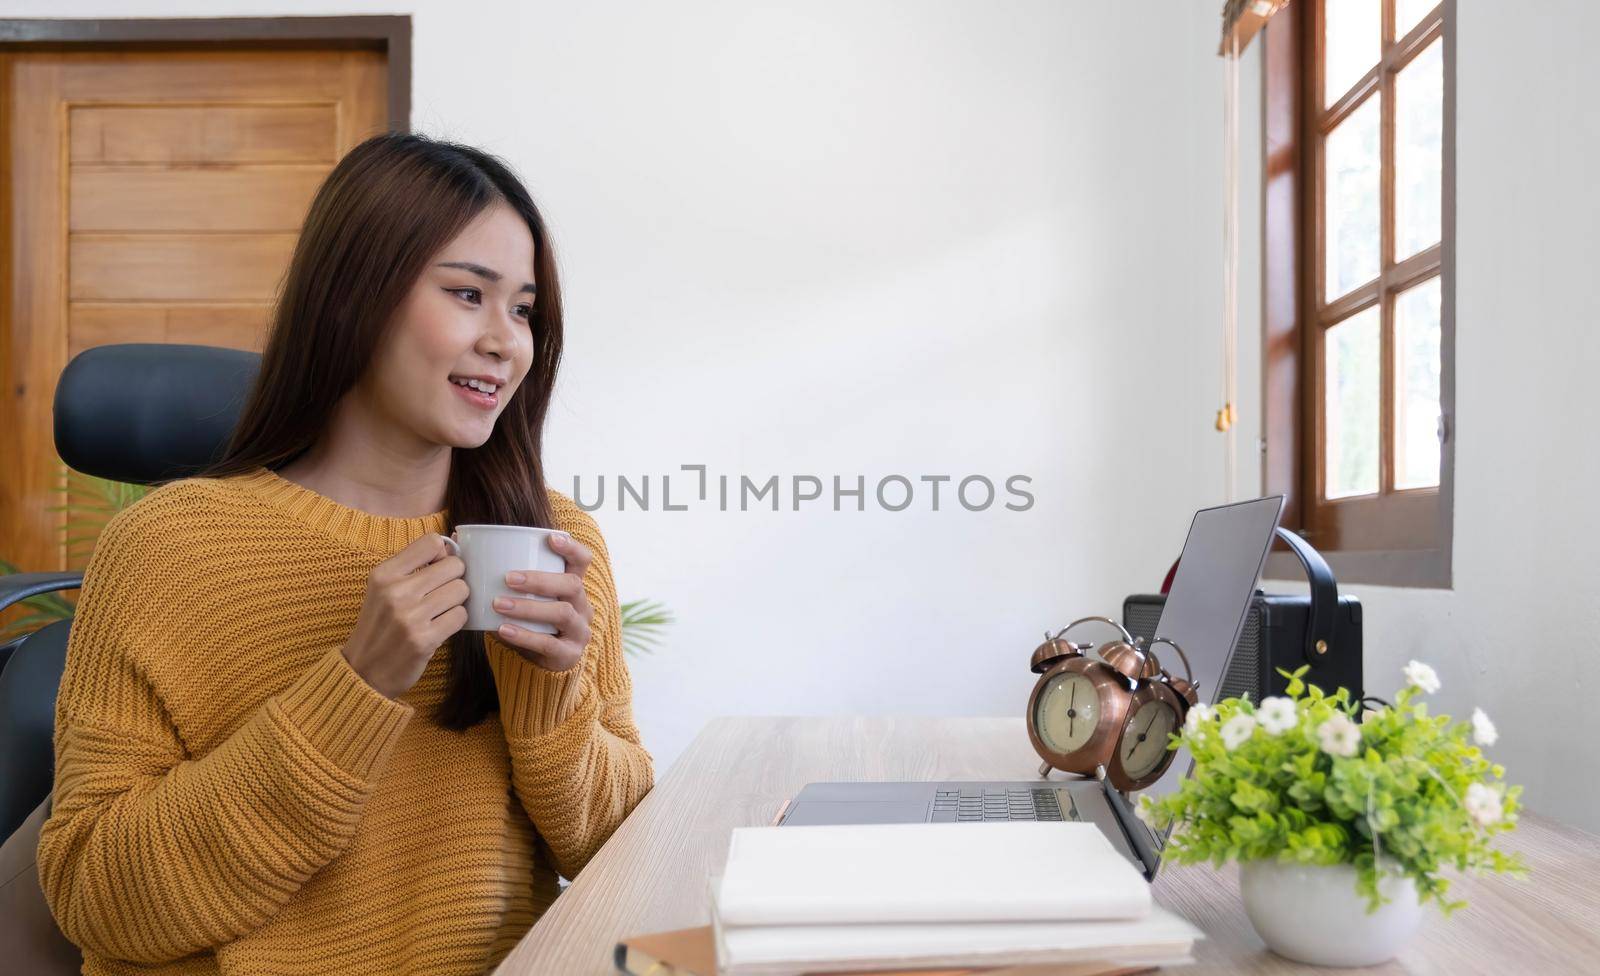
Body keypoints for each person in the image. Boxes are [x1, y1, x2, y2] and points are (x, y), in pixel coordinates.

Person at [35, 133, 655, 975]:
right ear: (351, 297)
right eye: (468, 294)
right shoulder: (167, 550)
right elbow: (94, 897)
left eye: (524, 309)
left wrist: (551, 703)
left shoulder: (554, 544)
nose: (506, 341)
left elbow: (624, 857)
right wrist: (355, 688)